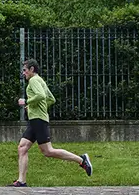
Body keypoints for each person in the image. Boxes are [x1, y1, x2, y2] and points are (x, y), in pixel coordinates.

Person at [7, 58, 92, 187]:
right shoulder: (41, 80)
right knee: (22, 147)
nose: (23, 73)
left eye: (25, 70)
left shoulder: (34, 80)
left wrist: (27, 102)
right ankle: (21, 181)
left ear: (31, 69)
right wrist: (38, 107)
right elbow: (51, 99)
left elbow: (41, 95)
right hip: (36, 119)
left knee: (48, 151)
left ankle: (82, 160)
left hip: (38, 120)